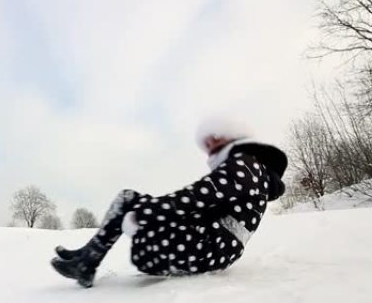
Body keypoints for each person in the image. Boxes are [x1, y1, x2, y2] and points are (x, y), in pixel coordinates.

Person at [51, 119, 287, 288]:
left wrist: (144, 214)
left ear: (233, 136)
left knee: (136, 218)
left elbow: (196, 198)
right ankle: (88, 257)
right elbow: (201, 204)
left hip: (210, 246)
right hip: (213, 244)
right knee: (127, 198)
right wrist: (147, 211)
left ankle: (88, 262)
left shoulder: (245, 165)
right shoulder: (249, 168)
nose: (208, 146)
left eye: (214, 138)